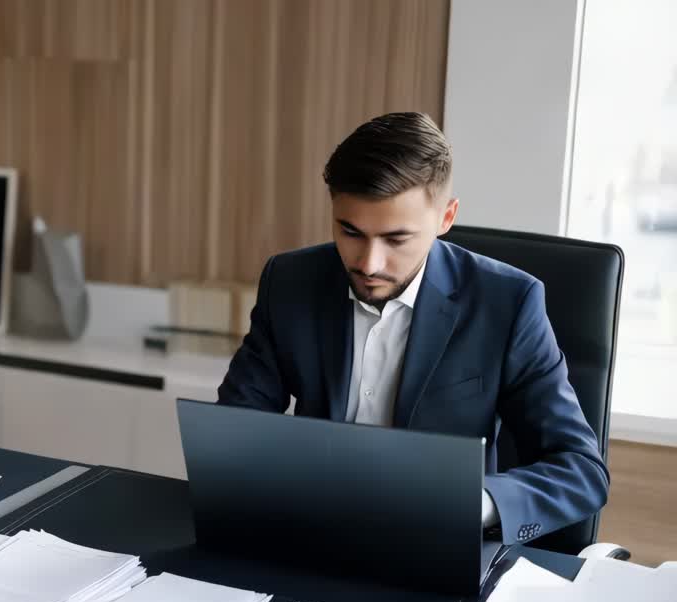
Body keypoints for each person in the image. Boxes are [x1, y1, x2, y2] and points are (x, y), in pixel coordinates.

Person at [217, 111, 608, 546]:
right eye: (350, 232)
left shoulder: (509, 303)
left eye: (396, 239)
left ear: (446, 218)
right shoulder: (289, 281)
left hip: (436, 547)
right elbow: (237, 425)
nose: (369, 264)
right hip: (310, 534)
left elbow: (580, 471)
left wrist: (472, 504)